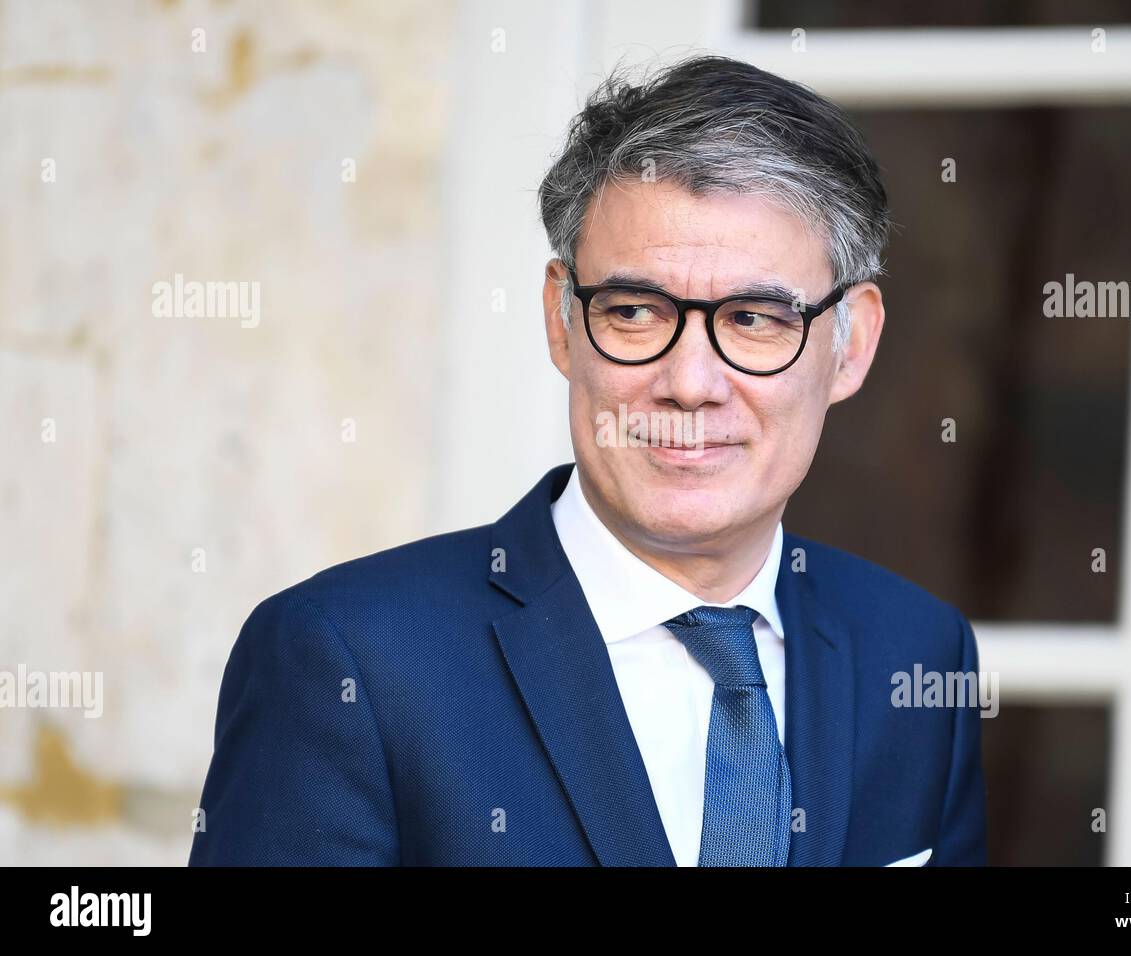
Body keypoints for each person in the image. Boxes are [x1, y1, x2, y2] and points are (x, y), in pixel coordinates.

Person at [189, 54, 987, 867]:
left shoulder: (919, 655)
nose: (691, 385)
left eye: (754, 319)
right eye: (636, 311)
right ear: (561, 321)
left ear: (852, 347)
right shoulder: (348, 660)